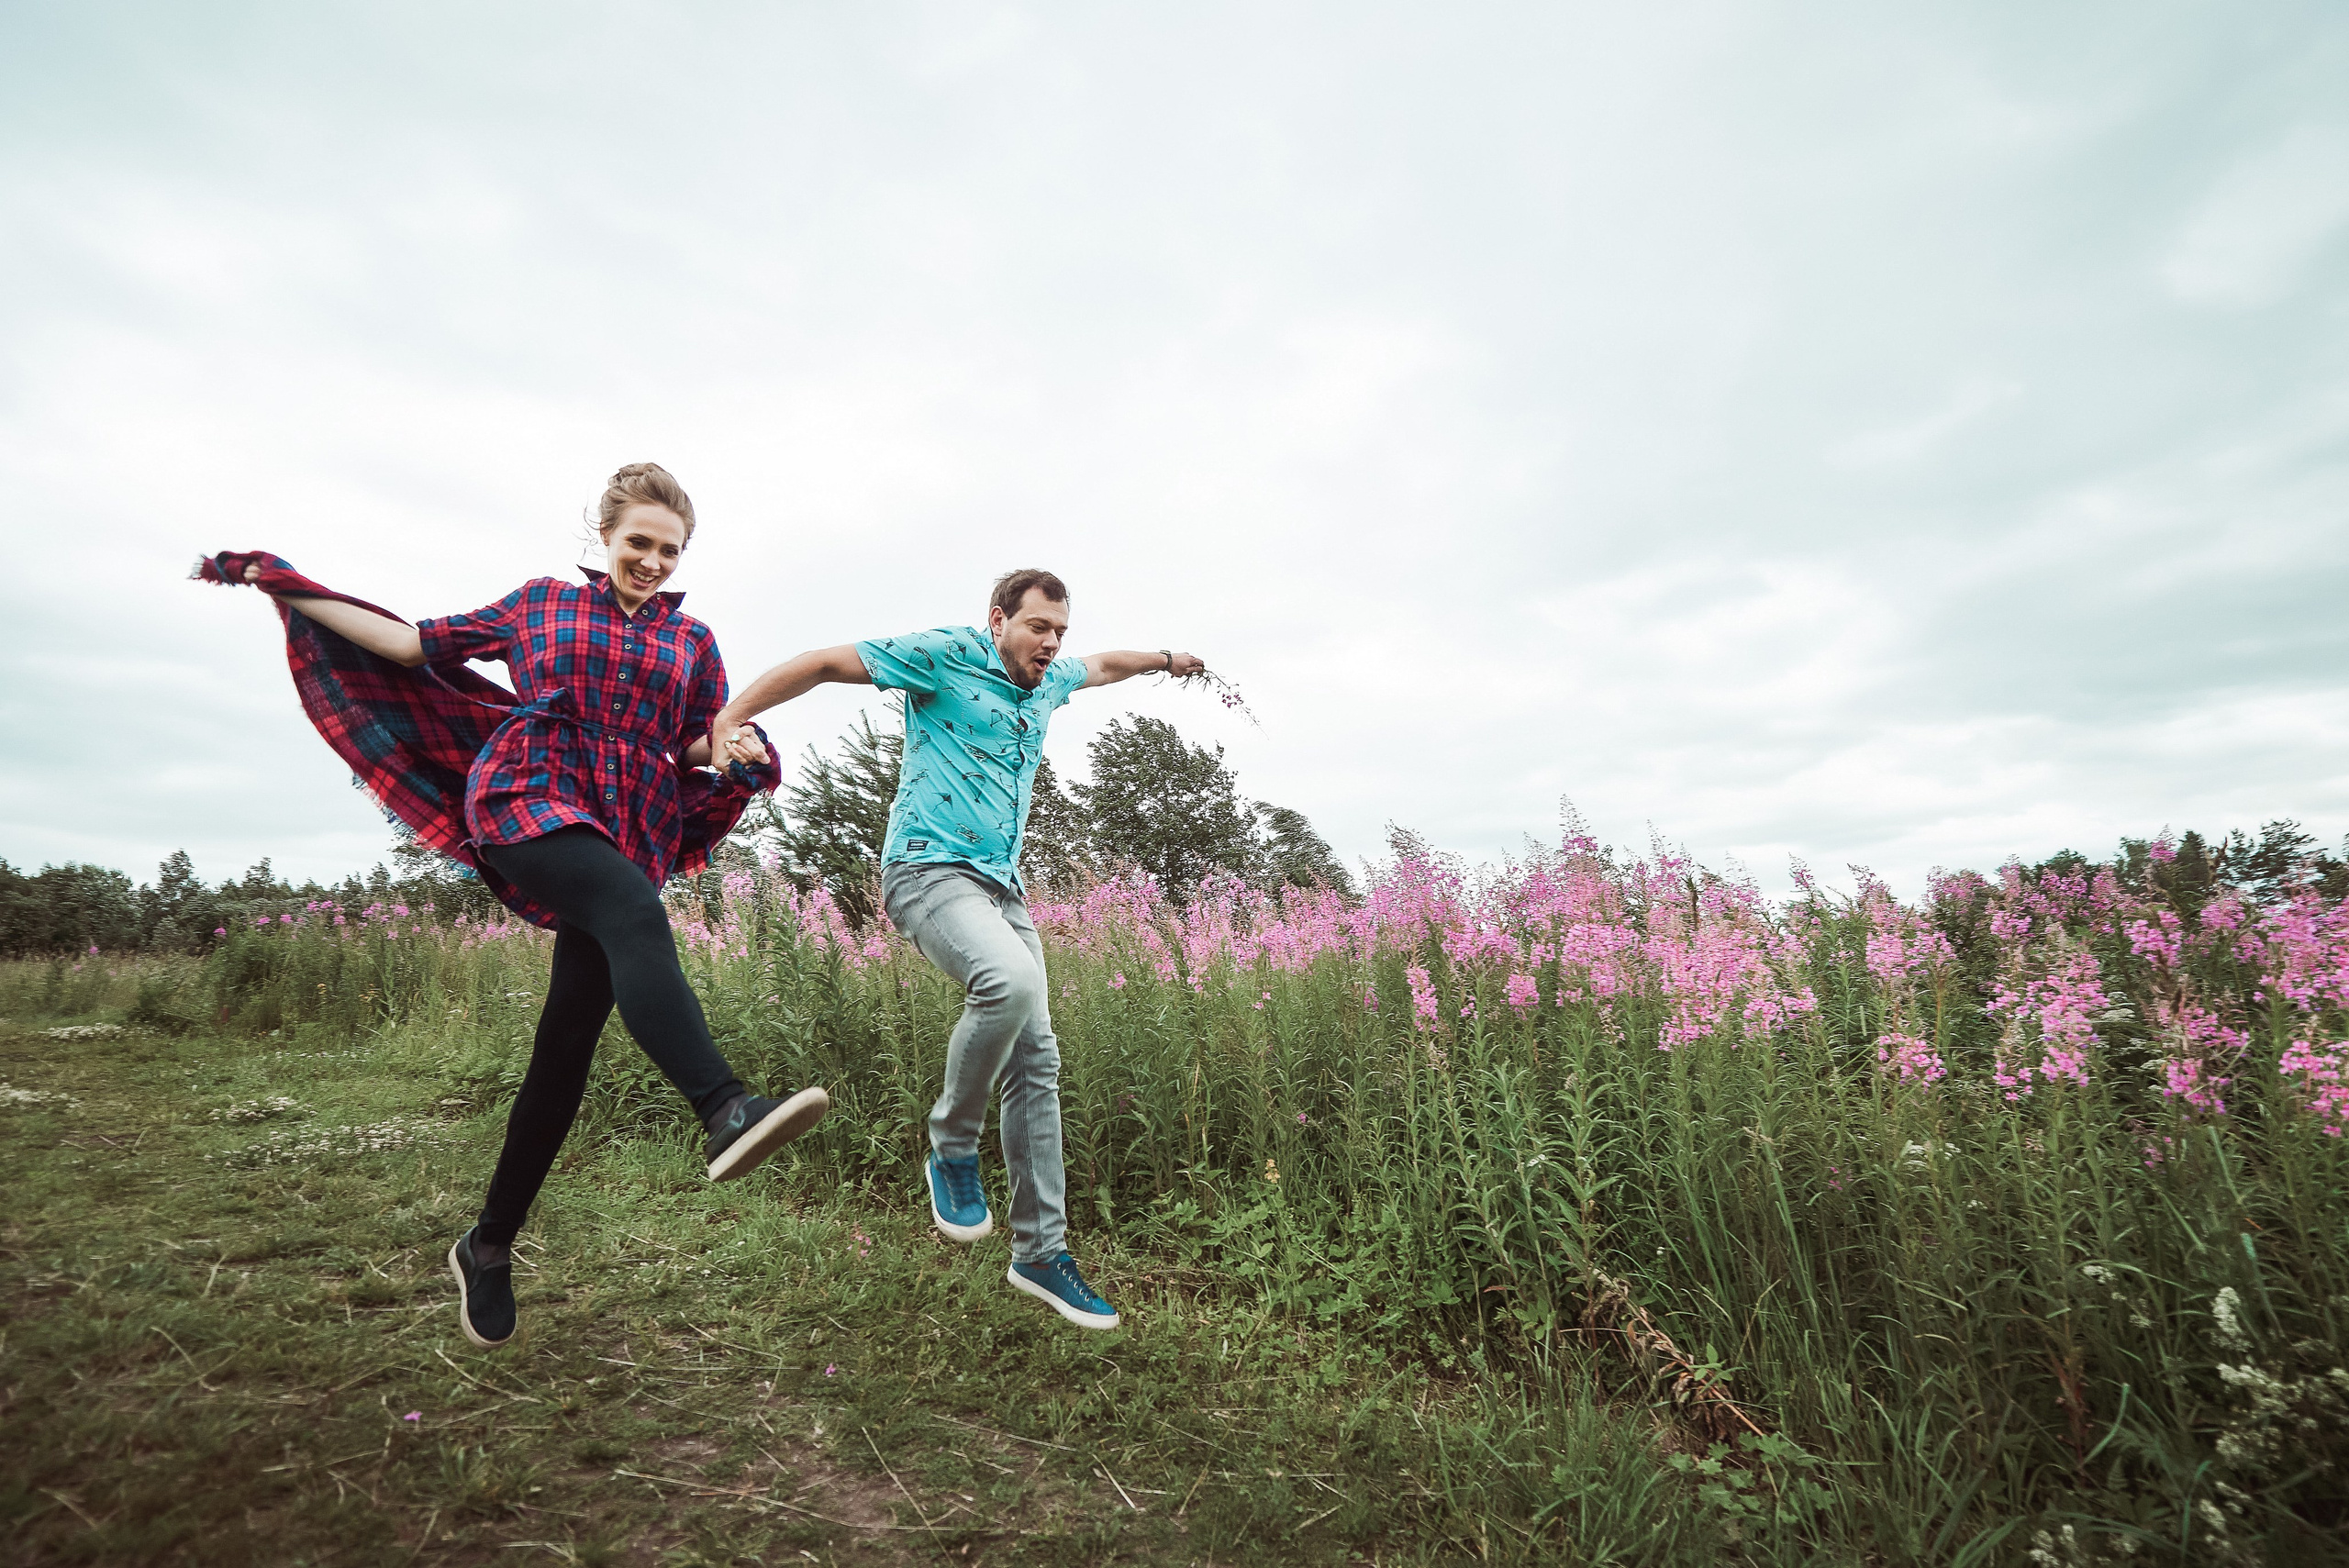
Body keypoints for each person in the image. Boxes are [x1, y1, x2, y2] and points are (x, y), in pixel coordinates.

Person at [204, 463, 829, 1350]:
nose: (652, 561)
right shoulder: (539, 603)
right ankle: (724, 1105)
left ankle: (488, 1244)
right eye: (639, 543)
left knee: (566, 1045)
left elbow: (697, 735)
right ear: (606, 537)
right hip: (527, 794)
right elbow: (411, 646)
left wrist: (737, 746)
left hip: (628, 821)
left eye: (670, 550)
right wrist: (286, 586)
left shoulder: (693, 639)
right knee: (635, 915)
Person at [715, 569, 1204, 1329]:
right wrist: (730, 717)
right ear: (998, 618)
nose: (1052, 642)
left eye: (1060, 631)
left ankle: (1041, 1252)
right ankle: (951, 1144)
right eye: (1038, 626)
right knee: (1008, 981)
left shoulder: (1049, 679)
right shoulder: (942, 656)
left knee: (1036, 1060)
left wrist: (1168, 660)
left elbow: (1107, 665)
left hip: (1001, 889)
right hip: (926, 870)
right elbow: (822, 663)